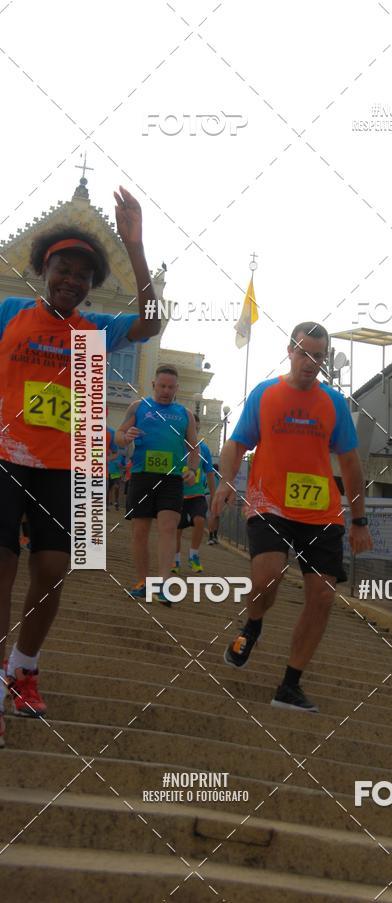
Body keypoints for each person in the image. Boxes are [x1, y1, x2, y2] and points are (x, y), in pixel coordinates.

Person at [0, 187, 161, 747]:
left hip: (71, 468)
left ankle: (24, 668)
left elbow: (153, 319)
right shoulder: (9, 313)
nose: (71, 280)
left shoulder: (94, 332)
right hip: (4, 458)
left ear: (92, 287)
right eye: (62, 269)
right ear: (44, 269)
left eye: (83, 276)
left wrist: (135, 248)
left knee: (51, 574)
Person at [210, 322, 373, 713]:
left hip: (322, 513)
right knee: (267, 578)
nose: (310, 362)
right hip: (270, 505)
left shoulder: (333, 403)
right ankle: (253, 624)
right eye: (304, 353)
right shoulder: (266, 395)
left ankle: (290, 685)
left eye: (318, 356)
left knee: (322, 597)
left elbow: (350, 463)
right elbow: (236, 444)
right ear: (289, 350)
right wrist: (225, 481)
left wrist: (360, 520)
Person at [116, 365, 198, 605]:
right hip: (142, 475)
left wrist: (192, 470)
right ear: (154, 385)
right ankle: (142, 582)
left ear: (177, 388)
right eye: (162, 386)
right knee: (140, 531)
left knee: (168, 528)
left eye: (171, 387)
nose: (166, 391)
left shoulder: (185, 414)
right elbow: (119, 435)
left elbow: (193, 446)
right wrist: (126, 435)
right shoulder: (138, 407)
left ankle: (162, 584)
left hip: (172, 479)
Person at [172, 415, 216, 574]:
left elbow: (210, 474)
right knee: (177, 529)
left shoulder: (203, 449)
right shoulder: (176, 446)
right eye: (191, 427)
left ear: (198, 428)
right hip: (178, 495)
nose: (194, 430)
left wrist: (214, 496)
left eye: (196, 428)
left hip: (197, 495)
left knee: (199, 520)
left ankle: (194, 555)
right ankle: (175, 560)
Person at [207, 463, 221, 544]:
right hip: (214, 495)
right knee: (215, 516)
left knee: (212, 515)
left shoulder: (207, 475)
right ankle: (213, 536)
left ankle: (212, 536)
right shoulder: (217, 476)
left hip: (206, 495)